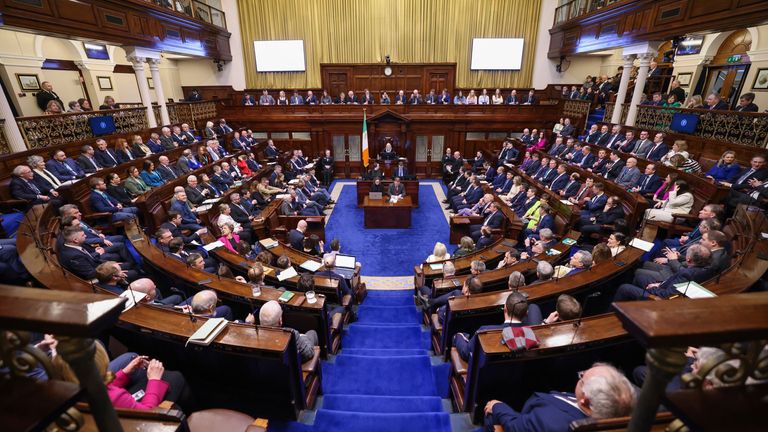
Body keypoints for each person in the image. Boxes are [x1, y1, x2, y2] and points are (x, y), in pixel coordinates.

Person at [483, 363, 636, 432]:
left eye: (582, 377)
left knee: (490, 413)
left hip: (520, 422)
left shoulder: (548, 421)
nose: (580, 376)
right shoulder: (619, 412)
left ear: (585, 400)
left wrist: (497, 406)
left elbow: (516, 426)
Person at [52, 342, 189, 411]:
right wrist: (154, 380)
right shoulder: (115, 397)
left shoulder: (61, 392)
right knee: (176, 377)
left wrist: (125, 373)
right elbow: (147, 413)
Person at [453, 292, 542, 362]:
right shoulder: (533, 336)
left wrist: (458, 336)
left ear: (505, 308)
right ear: (526, 313)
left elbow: (465, 353)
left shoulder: (485, 331)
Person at [614, 244, 712, 301]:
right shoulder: (705, 270)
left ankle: (612, 313)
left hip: (659, 298)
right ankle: (635, 302)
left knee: (624, 287)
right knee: (639, 276)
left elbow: (666, 295)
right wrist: (660, 283)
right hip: (664, 285)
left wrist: (654, 288)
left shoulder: (686, 274)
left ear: (689, 260)